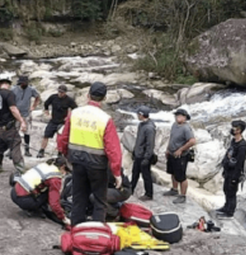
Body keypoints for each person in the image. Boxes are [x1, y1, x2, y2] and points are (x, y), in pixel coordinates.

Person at [57, 82, 122, 225]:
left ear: (88, 95)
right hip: (97, 165)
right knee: (99, 201)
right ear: (104, 98)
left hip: (77, 162)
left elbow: (63, 137)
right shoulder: (105, 119)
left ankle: (76, 231)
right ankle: (96, 233)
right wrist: (116, 173)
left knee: (79, 198)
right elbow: (113, 149)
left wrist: (65, 154)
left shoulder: (75, 113)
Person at [11, 156, 71, 225]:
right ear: (62, 167)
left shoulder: (46, 165)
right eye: (67, 171)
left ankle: (33, 205)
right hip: (23, 199)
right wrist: (63, 218)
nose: (66, 173)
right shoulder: (55, 179)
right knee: (51, 193)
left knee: (47, 189)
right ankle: (34, 208)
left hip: (14, 191)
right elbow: (54, 203)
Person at [0, 77, 27, 172]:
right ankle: (20, 168)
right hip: (8, 125)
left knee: (0, 144)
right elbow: (13, 108)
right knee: (15, 143)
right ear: (8, 84)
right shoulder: (9, 94)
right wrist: (21, 121)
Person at [163, 108, 196, 204]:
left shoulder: (186, 128)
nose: (178, 117)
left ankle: (183, 195)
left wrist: (181, 149)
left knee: (181, 176)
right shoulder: (174, 125)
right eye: (177, 115)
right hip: (172, 153)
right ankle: (174, 189)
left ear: (185, 118)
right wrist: (168, 149)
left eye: (180, 116)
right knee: (173, 172)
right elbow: (171, 137)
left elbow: (192, 141)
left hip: (181, 156)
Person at [216, 120, 246, 218]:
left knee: (232, 192)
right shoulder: (234, 141)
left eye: (234, 128)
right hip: (228, 170)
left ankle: (230, 211)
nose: (232, 129)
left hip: (234, 172)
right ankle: (226, 207)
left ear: (239, 130)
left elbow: (240, 163)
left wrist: (235, 177)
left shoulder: (242, 146)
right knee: (226, 189)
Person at [37, 85, 77, 158]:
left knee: (60, 139)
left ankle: (60, 153)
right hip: (53, 120)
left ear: (65, 93)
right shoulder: (53, 97)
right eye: (59, 92)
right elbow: (46, 103)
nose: (60, 94)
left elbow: (75, 109)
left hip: (62, 122)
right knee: (46, 135)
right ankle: (41, 150)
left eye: (62, 92)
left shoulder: (69, 100)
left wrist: (69, 117)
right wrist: (46, 111)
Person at [132, 105, 157, 201]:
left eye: (138, 114)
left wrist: (147, 158)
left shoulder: (149, 128)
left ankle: (149, 194)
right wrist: (135, 151)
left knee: (146, 175)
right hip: (138, 154)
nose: (137, 115)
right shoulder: (141, 125)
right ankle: (131, 189)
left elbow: (150, 144)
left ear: (141, 115)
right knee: (135, 173)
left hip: (144, 156)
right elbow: (139, 140)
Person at [12, 75, 41, 157]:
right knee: (14, 132)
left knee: (27, 132)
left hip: (26, 113)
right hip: (16, 114)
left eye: (24, 83)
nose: (23, 84)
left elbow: (37, 97)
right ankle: (12, 150)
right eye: (22, 83)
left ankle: (27, 150)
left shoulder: (31, 89)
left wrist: (33, 106)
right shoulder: (14, 89)